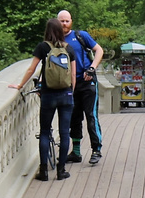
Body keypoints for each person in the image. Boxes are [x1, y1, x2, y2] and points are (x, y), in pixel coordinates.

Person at [10, 18, 75, 181]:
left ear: (47, 31)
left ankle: (44, 171)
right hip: (66, 94)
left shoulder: (43, 47)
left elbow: (32, 69)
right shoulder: (69, 49)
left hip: (48, 95)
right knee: (64, 133)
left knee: (45, 132)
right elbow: (73, 74)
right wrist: (70, 92)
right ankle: (61, 171)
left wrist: (20, 85)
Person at [59, 10, 104, 166]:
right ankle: (76, 152)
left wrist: (92, 67)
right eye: (61, 21)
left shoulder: (80, 36)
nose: (64, 24)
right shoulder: (55, 40)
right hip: (70, 84)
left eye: (66, 21)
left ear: (71, 21)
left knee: (91, 116)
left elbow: (99, 50)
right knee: (74, 117)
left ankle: (96, 150)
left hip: (87, 82)